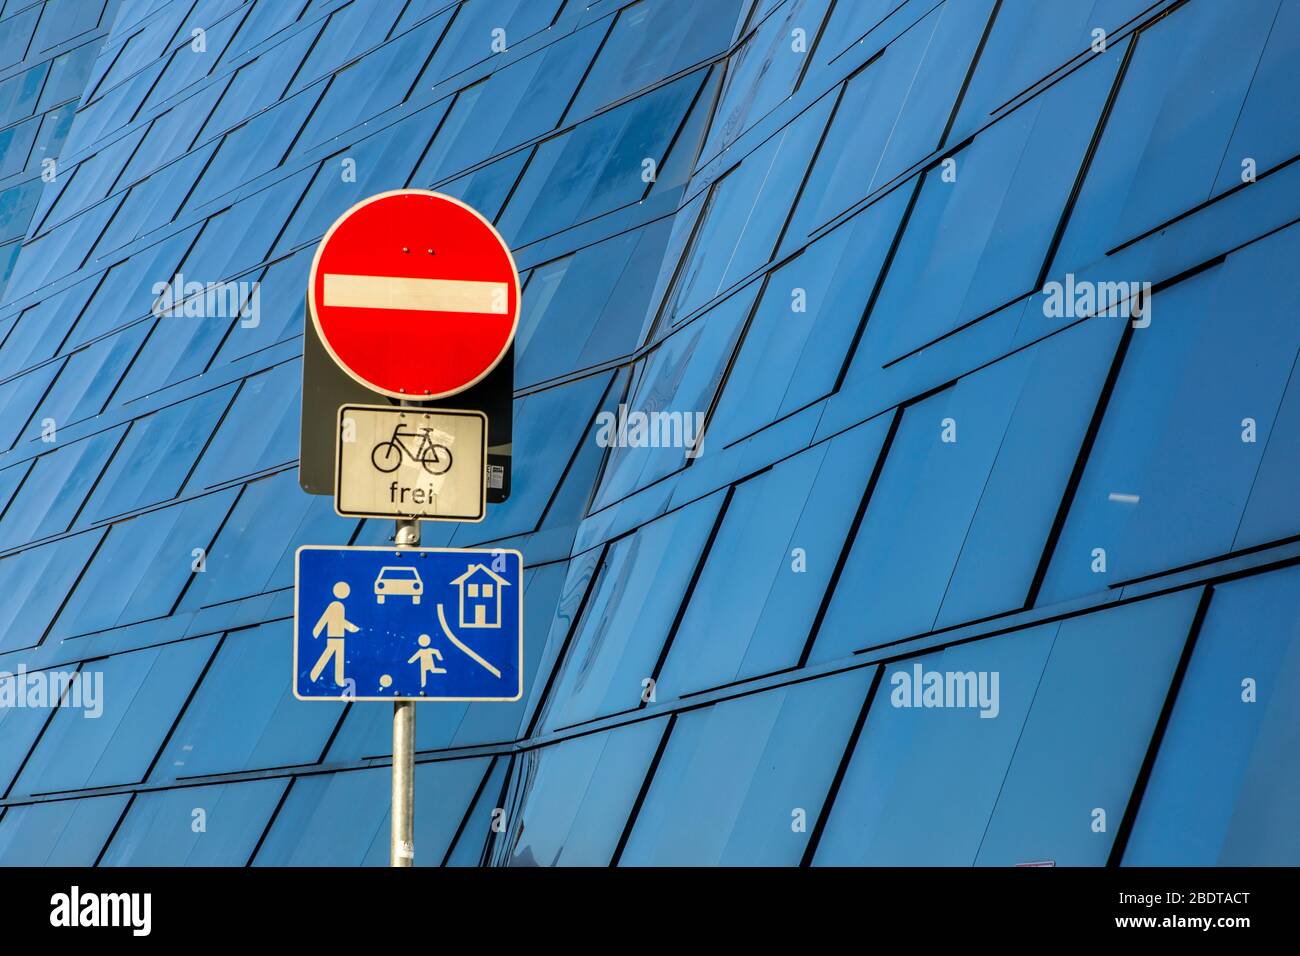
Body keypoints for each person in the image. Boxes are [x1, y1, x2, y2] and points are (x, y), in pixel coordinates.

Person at [310, 582, 358, 686]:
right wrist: (317, 630)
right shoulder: (335, 605)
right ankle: (314, 674)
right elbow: (326, 618)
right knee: (328, 654)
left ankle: (339, 679)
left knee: (338, 658)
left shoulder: (340, 606)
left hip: (340, 637)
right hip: (333, 636)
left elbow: (341, 621)